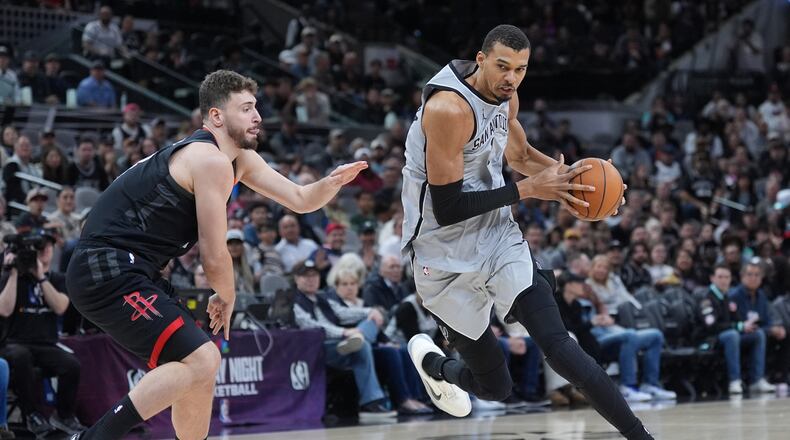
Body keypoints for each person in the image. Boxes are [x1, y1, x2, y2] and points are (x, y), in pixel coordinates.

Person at [64, 70, 366, 439]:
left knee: (201, 368)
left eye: (256, 107)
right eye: (246, 108)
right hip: (105, 267)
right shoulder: (208, 160)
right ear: (216, 116)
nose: (257, 116)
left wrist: (331, 182)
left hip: (133, 269)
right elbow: (213, 253)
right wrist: (227, 296)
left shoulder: (238, 159)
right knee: (203, 358)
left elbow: (302, 200)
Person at [401, 25, 652, 439]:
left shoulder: (506, 95)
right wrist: (529, 190)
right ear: (480, 60)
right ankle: (434, 365)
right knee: (495, 388)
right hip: (441, 255)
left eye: (520, 69)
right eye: (502, 67)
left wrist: (578, 185)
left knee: (560, 346)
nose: (511, 78)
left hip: (498, 236)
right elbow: (447, 210)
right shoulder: (447, 109)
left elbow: (517, 154)